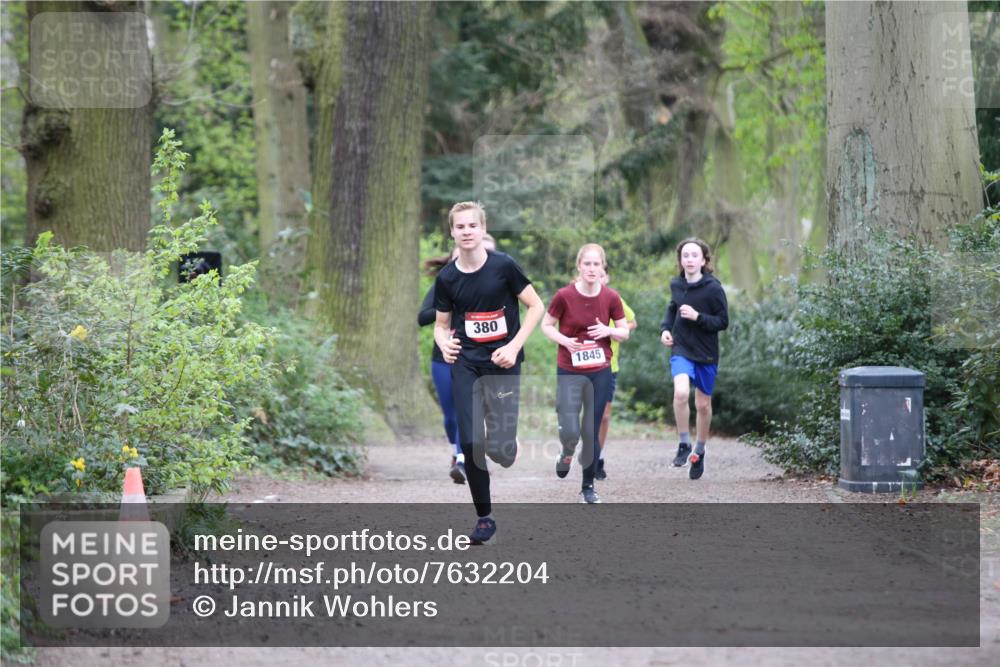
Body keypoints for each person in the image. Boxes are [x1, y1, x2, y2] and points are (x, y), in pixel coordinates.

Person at [434, 202, 543, 543]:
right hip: (466, 361)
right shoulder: (447, 277)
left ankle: (507, 443)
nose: (466, 231)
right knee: (470, 440)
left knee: (499, 450)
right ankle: (485, 519)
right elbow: (440, 325)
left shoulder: (504, 266)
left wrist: (513, 346)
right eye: (460, 227)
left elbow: (536, 306)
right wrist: (444, 342)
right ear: (452, 232)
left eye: (472, 226)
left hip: (503, 363)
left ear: (482, 229)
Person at [541, 244, 629, 503]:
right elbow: (546, 325)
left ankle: (588, 486)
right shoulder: (564, 296)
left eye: (596, 264)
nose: (592, 269)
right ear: (579, 266)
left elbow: (624, 332)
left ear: (603, 268)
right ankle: (567, 451)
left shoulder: (611, 297)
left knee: (590, 428)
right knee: (570, 430)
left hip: (600, 370)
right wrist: (564, 340)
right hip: (569, 369)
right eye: (587, 264)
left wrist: (609, 331)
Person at [418, 234, 496, 485]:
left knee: (471, 410)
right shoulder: (443, 283)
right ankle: (457, 451)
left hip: (476, 357)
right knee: (451, 415)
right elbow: (422, 318)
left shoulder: (489, 284)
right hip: (443, 357)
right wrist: (447, 309)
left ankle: (465, 457)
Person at [659, 238, 729, 480]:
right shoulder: (676, 284)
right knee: (680, 393)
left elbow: (723, 321)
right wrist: (665, 329)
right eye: (685, 255)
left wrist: (698, 317)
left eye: (694, 255)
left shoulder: (713, 288)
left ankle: (699, 450)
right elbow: (672, 307)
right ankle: (683, 444)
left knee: (702, 405)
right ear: (680, 260)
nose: (689, 259)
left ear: (703, 260)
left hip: (706, 352)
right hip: (681, 347)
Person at [596, 268, 637, 481]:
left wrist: (614, 331)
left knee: (603, 415)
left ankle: (597, 456)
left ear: (607, 277)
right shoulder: (575, 297)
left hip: (608, 365)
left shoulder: (614, 298)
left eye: (602, 273)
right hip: (579, 366)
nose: (597, 276)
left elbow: (632, 322)